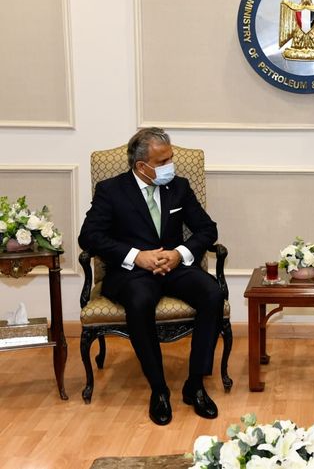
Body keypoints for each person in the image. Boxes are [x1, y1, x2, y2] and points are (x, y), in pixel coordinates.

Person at [79, 127, 223, 426]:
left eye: (170, 158)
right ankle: (159, 389)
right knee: (140, 301)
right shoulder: (111, 190)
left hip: (174, 266)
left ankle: (195, 384)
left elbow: (207, 229)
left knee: (212, 292)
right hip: (132, 273)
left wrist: (179, 253)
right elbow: (89, 236)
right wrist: (136, 256)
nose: (171, 166)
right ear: (141, 165)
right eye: (163, 162)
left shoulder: (179, 187)